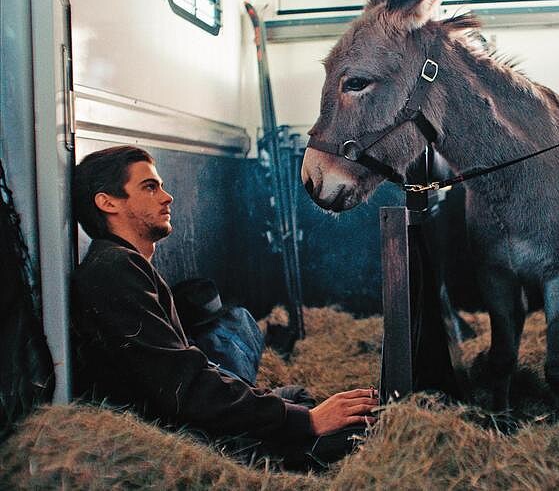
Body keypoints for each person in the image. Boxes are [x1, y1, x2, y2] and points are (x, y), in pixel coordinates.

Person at [70, 145, 377, 468]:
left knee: (296, 397)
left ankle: (299, 443)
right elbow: (185, 389)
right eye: (149, 187)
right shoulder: (115, 269)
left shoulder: (124, 263)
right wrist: (308, 421)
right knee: (351, 431)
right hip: (187, 443)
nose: (167, 197)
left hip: (193, 422)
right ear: (107, 202)